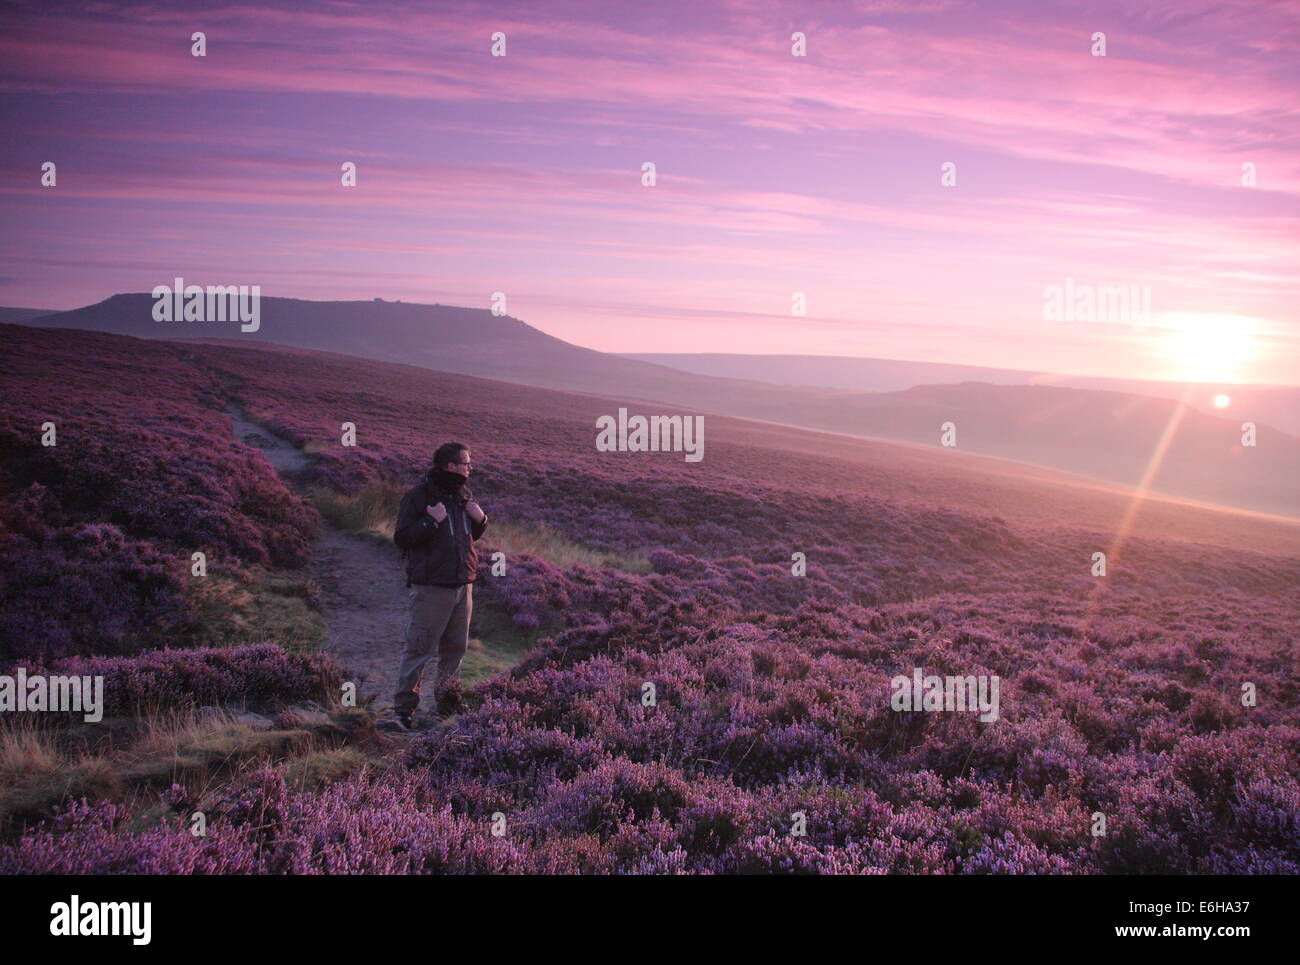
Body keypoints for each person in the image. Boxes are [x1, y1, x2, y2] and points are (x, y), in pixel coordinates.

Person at [391, 442, 487, 728]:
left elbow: (467, 535)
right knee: (419, 647)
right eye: (465, 463)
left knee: (455, 649)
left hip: (463, 584)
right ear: (449, 466)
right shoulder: (418, 497)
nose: (469, 468)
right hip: (432, 587)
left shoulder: (462, 496)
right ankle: (403, 710)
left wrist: (481, 520)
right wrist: (430, 522)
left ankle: (447, 705)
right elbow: (402, 537)